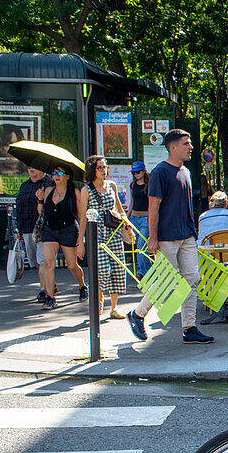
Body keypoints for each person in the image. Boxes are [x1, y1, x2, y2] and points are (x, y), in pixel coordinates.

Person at [127, 129, 213, 344]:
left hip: (187, 236)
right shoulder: (159, 172)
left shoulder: (186, 172)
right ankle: (138, 314)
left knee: (192, 279)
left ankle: (189, 328)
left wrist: (194, 233)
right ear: (173, 147)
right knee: (166, 281)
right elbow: (153, 207)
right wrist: (153, 239)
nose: (191, 147)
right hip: (166, 237)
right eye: (186, 143)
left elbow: (186, 206)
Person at [37, 164, 88, 309]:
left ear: (67, 176)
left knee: (72, 265)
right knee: (48, 262)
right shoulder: (48, 191)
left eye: (60, 173)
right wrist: (40, 200)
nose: (56, 175)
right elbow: (41, 211)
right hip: (49, 229)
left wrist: (81, 239)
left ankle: (82, 286)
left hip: (68, 229)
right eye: (54, 173)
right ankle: (50, 297)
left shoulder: (75, 193)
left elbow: (81, 216)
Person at [84, 155, 128, 319]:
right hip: (97, 233)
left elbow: (119, 208)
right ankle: (98, 299)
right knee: (102, 268)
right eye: (100, 167)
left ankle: (114, 308)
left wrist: (126, 223)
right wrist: (81, 241)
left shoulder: (112, 186)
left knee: (117, 268)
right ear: (93, 170)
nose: (104, 170)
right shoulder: (86, 190)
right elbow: (83, 216)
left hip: (113, 231)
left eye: (105, 167)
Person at [16, 167, 51, 273]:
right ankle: (47, 283)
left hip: (43, 228)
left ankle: (46, 286)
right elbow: (19, 208)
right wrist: (19, 229)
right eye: (29, 167)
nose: (31, 169)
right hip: (27, 228)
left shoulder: (49, 183)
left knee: (43, 260)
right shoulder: (24, 185)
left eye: (35, 167)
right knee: (35, 261)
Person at [127, 161, 151, 279]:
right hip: (134, 217)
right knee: (137, 245)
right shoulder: (133, 185)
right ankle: (146, 269)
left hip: (146, 218)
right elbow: (132, 201)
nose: (135, 174)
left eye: (137, 172)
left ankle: (142, 272)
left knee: (142, 245)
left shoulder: (149, 185)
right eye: (133, 173)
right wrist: (127, 216)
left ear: (143, 171)